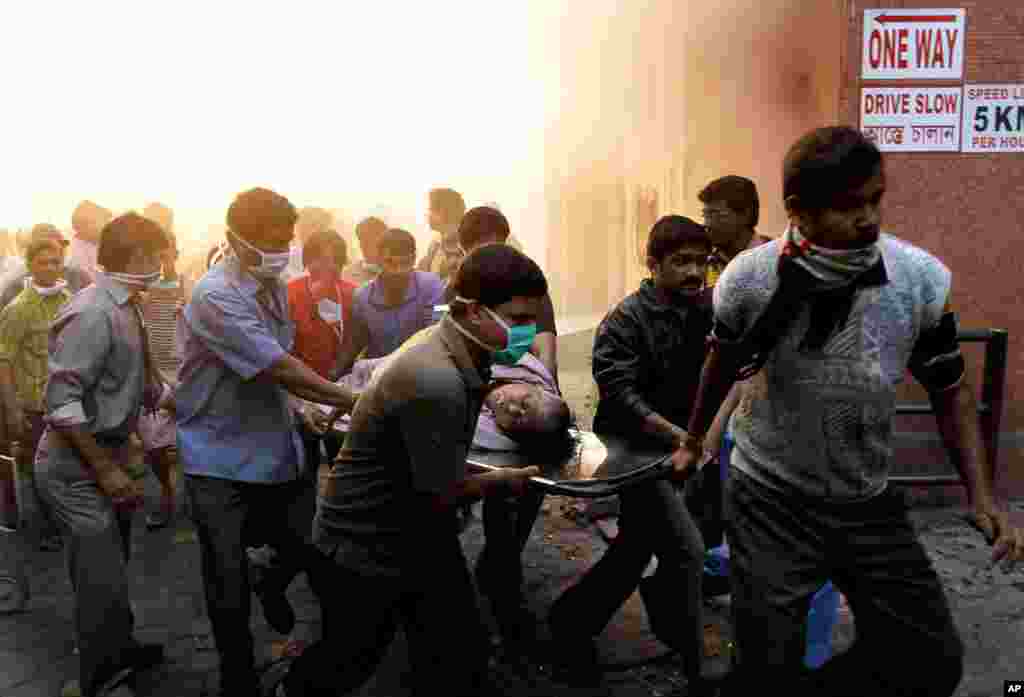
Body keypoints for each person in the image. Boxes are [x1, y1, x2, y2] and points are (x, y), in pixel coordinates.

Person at [677, 126, 1024, 697]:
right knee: (769, 667)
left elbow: (950, 389)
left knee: (931, 661)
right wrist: (693, 442)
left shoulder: (917, 279)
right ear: (800, 212)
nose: (867, 218)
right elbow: (719, 366)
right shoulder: (748, 279)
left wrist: (981, 496)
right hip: (770, 495)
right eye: (846, 206)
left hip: (866, 497)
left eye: (875, 200)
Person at [266, 244, 546, 697]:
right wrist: (500, 480)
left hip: (412, 531)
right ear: (474, 311)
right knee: (348, 660)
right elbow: (439, 493)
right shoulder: (436, 377)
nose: (526, 333)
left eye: (531, 320)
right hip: (364, 542)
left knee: (457, 653)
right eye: (516, 320)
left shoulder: (453, 345)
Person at [176, 187, 358, 697]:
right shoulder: (215, 295)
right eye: (267, 243)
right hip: (216, 452)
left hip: (275, 440)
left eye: (285, 241)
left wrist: (307, 407)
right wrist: (352, 401)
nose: (279, 253)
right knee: (226, 578)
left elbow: (280, 362)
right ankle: (238, 676)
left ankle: (272, 581)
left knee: (306, 544)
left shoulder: (272, 282)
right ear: (234, 239)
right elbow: (277, 364)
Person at [546, 215, 718, 696]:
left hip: (683, 450)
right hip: (634, 455)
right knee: (685, 549)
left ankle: (570, 623)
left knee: (636, 548)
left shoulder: (704, 308)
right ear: (653, 264)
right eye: (681, 262)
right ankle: (693, 665)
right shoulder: (626, 319)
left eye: (700, 263)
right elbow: (620, 394)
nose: (692, 272)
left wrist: (696, 440)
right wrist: (681, 438)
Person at [34, 212, 172, 697]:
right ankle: (98, 680)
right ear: (132, 257)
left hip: (110, 456)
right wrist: (107, 472)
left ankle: (121, 650)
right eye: (153, 256)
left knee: (113, 570)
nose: (160, 264)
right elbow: (62, 405)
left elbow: (142, 384)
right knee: (99, 582)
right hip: (75, 468)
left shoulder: (129, 305)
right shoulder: (93, 311)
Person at [336, 349, 571, 451]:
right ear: (533, 386)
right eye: (524, 403)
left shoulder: (473, 422)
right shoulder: (515, 362)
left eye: (517, 420)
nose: (510, 407)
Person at [0, 237, 72, 554]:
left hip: (66, 403)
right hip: (33, 405)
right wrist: (12, 408)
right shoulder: (18, 309)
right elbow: (4, 360)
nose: (51, 268)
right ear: (30, 265)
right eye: (44, 262)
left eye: (56, 262)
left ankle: (60, 525)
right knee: (38, 471)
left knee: (64, 468)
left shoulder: (69, 300)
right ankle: (44, 530)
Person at [452, 205, 560, 383]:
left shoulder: (527, 284)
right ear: (465, 251)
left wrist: (549, 393)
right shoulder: (452, 293)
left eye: (498, 248)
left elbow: (545, 353)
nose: (494, 259)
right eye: (483, 253)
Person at [287, 228, 356, 467]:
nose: (327, 266)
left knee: (343, 463)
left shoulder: (352, 293)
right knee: (304, 465)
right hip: (303, 392)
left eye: (334, 259)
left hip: (340, 392)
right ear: (307, 261)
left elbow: (357, 342)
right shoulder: (291, 293)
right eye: (320, 259)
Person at [335, 228, 445, 373]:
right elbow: (354, 343)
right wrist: (334, 375)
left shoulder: (433, 285)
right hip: (378, 377)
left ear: (413, 259)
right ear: (378, 260)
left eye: (405, 263)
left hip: (422, 371)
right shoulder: (362, 297)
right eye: (390, 263)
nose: (398, 270)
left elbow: (438, 328)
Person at [136, 203, 184, 530]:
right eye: (157, 256)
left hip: (183, 373)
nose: (163, 262)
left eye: (168, 255)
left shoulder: (189, 286)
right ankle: (167, 497)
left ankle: (184, 499)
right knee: (155, 447)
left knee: (186, 441)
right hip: (153, 373)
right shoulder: (140, 291)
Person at [0, 224, 92, 310]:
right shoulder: (15, 283)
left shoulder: (78, 274)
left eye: (62, 245)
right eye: (50, 247)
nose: (60, 250)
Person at [418, 187, 466, 283]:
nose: (427, 215)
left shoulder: (460, 243)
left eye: (430, 210)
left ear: (442, 211)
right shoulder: (436, 242)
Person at [283, 206, 334, 282]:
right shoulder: (285, 258)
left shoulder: (335, 258)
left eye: (319, 226)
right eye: (305, 225)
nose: (313, 231)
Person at [66, 200, 113, 283]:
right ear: (86, 225)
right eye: (103, 221)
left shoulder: (104, 245)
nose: (108, 226)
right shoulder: (74, 255)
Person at [342, 216, 386, 287]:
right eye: (361, 239)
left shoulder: (397, 272)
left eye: (370, 239)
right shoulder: (347, 274)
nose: (364, 244)